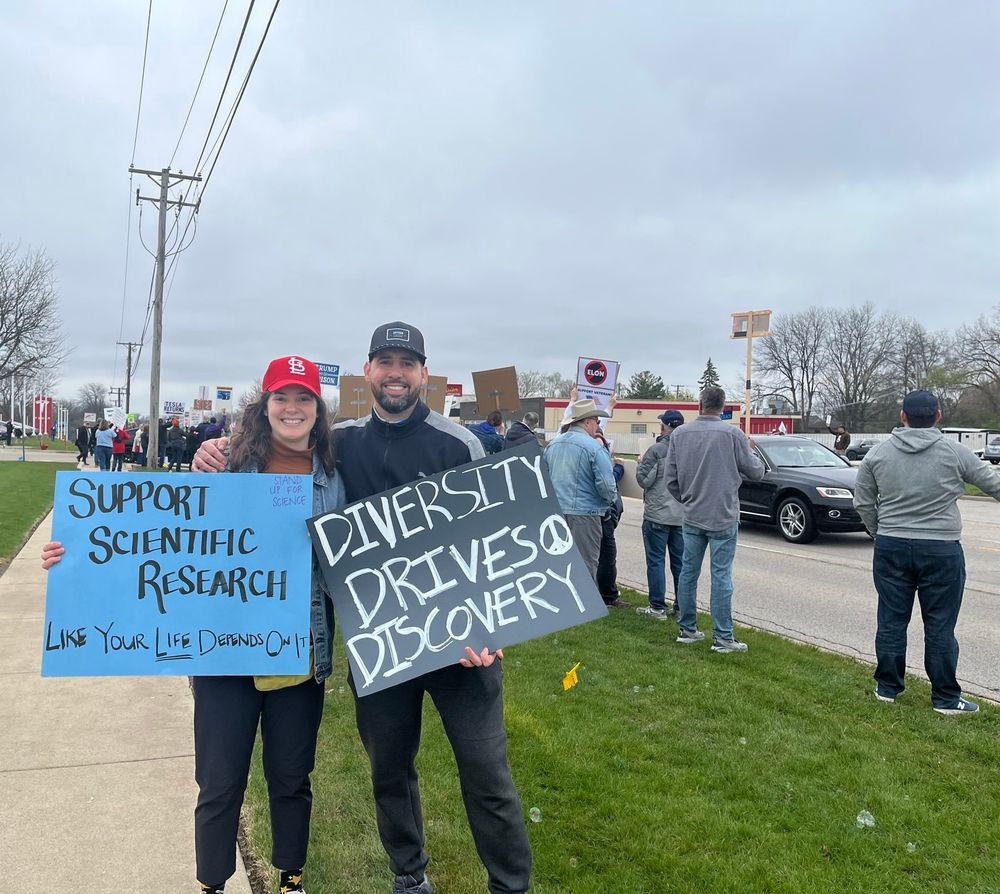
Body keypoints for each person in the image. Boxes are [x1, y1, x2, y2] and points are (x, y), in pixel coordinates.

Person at [196, 323, 532, 894]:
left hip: (462, 644)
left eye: (407, 363)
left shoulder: (460, 443)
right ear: (367, 371)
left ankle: (509, 885)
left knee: (487, 776)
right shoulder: (341, 443)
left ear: (424, 374)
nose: (396, 373)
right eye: (385, 361)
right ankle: (409, 875)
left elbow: (499, 540)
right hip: (384, 641)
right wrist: (217, 447)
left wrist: (492, 620)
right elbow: (276, 456)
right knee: (389, 773)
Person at [42, 354, 345, 894]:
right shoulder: (225, 464)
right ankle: (211, 882)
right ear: (265, 404)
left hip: (296, 655)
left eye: (304, 398)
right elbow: (153, 535)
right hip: (223, 649)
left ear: (317, 409)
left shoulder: (335, 477)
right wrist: (76, 555)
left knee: (291, 778)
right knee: (219, 780)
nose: (292, 407)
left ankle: (290, 876)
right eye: (282, 397)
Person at [853, 390, 1000, 715]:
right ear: (937, 416)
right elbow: (995, 485)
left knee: (891, 620)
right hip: (941, 550)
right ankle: (945, 698)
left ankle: (887, 688)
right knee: (940, 625)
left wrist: (881, 532)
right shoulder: (957, 452)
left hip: (891, 546)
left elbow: (862, 502)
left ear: (902, 417)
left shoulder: (877, 454)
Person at [664, 386, 765, 653]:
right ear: (722, 407)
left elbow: (670, 480)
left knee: (688, 572)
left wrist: (686, 498)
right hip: (723, 514)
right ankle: (722, 637)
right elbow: (756, 471)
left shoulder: (680, 435)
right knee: (721, 575)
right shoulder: (733, 434)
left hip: (693, 514)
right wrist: (751, 449)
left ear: (700, 404)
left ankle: (687, 629)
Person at [544, 399, 618, 586]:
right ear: (587, 422)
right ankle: (584, 608)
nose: (597, 426)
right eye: (597, 422)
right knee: (585, 565)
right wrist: (610, 503)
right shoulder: (594, 447)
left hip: (556, 512)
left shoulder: (553, 445)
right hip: (585, 514)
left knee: (559, 564)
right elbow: (607, 486)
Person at [635, 410, 686, 619]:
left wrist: (641, 464)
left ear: (664, 427)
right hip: (682, 516)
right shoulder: (690, 450)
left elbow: (643, 479)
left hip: (657, 514)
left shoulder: (656, 450)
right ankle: (682, 606)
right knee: (680, 563)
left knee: (656, 561)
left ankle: (657, 607)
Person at [592, 429, 629, 608]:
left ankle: (601, 592)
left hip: (590, 511)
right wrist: (619, 469)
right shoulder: (595, 450)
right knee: (605, 554)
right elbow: (607, 483)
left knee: (597, 554)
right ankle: (607, 595)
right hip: (600, 510)